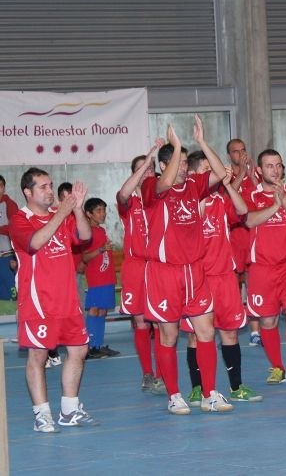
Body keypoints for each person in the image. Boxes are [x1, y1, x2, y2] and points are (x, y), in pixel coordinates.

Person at [141, 118, 233, 414]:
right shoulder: (152, 188)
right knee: (168, 336)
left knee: (206, 331)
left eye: (185, 163)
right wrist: (177, 145)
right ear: (167, 164)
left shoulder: (194, 185)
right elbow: (165, 181)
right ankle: (174, 394)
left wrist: (201, 142)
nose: (184, 168)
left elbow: (221, 173)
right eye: (179, 163)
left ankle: (209, 393)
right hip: (165, 273)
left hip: (195, 271)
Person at [10, 168, 97, 432]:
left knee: (79, 350)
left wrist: (78, 209)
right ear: (28, 192)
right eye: (43, 187)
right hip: (39, 301)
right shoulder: (19, 219)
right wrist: (62, 212)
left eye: (51, 186)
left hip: (67, 300)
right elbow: (35, 243)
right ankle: (42, 414)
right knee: (38, 355)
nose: (50, 191)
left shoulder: (63, 216)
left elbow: (85, 237)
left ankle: (69, 410)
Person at [182, 151, 263, 405]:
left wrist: (228, 184)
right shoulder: (186, 204)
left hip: (225, 277)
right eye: (208, 169)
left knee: (230, 333)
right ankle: (199, 389)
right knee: (196, 336)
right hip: (198, 279)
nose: (214, 173)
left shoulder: (220, 200)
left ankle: (236, 387)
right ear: (196, 174)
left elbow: (242, 210)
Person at [244, 149, 286, 384]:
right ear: (260, 170)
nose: (275, 170)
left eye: (278, 165)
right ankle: (277, 367)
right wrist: (275, 205)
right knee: (267, 320)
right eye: (270, 166)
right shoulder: (251, 195)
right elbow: (249, 220)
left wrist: (285, 200)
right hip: (262, 268)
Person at [117, 143, 166, 392]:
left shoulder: (160, 198)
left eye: (150, 169)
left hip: (158, 267)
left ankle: (162, 373)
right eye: (142, 169)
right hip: (136, 267)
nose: (147, 173)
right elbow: (122, 194)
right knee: (141, 322)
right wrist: (147, 160)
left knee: (159, 322)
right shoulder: (128, 202)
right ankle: (147, 373)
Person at [226, 138, 262, 347]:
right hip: (232, 238)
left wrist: (251, 176)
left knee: (253, 283)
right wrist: (240, 175)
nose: (240, 154)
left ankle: (255, 331)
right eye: (236, 151)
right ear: (229, 155)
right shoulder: (225, 175)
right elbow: (228, 199)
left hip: (251, 236)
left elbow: (262, 195)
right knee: (233, 285)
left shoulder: (255, 172)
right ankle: (231, 326)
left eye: (243, 150)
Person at [81, 197, 119, 359]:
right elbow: (85, 257)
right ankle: (89, 347)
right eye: (98, 211)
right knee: (95, 310)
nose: (102, 214)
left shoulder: (101, 231)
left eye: (104, 210)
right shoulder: (87, 233)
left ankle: (98, 345)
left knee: (102, 311)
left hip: (107, 278)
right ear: (89, 214)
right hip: (97, 278)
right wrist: (101, 250)